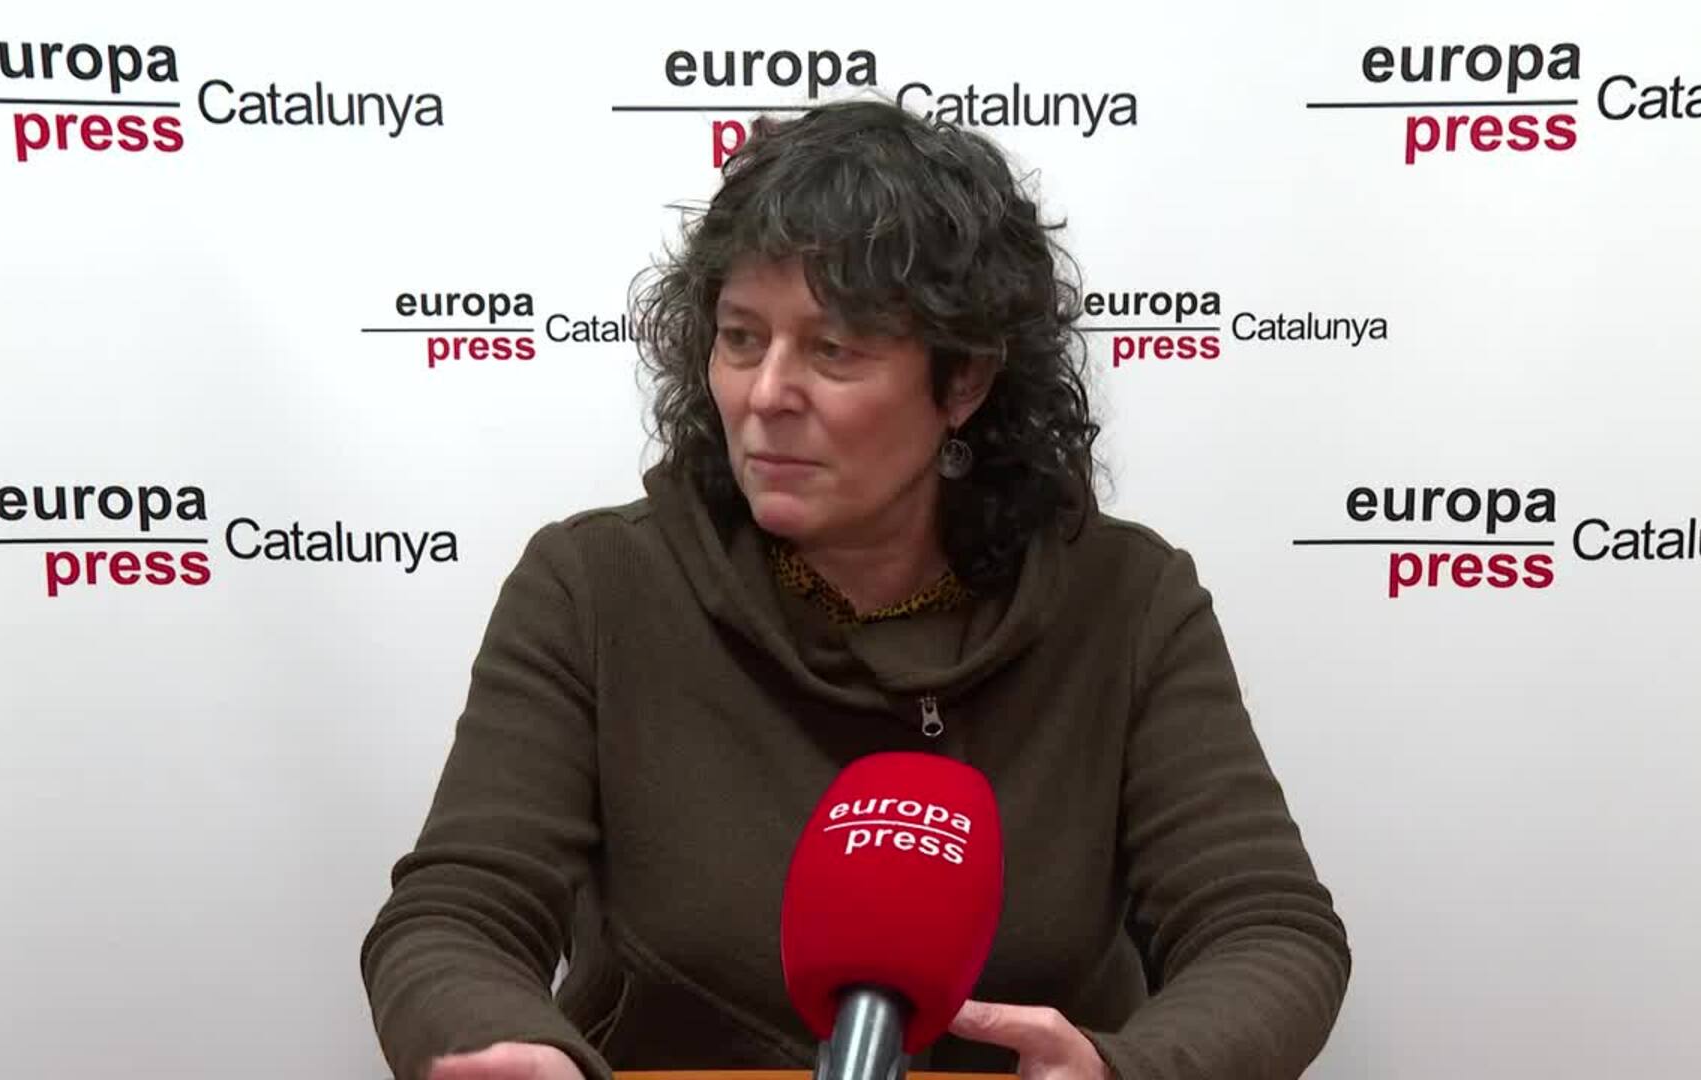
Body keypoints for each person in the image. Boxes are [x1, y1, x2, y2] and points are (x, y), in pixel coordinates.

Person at [361, 98, 1350, 1080]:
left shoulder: (1126, 600)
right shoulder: (592, 586)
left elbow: (1267, 929)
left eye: (833, 350)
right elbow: (456, 915)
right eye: (741, 338)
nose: (766, 394)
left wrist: (1129, 1070)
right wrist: (516, 1048)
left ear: (964, 380)